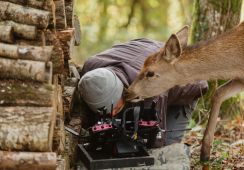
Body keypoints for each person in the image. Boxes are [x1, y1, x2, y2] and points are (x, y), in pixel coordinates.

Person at [78, 37, 208, 147]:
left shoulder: (151, 91)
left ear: (122, 91)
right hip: (145, 50)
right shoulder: (89, 73)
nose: (111, 114)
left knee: (165, 148)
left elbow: (157, 141)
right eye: (107, 111)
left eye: (115, 107)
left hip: (187, 83)